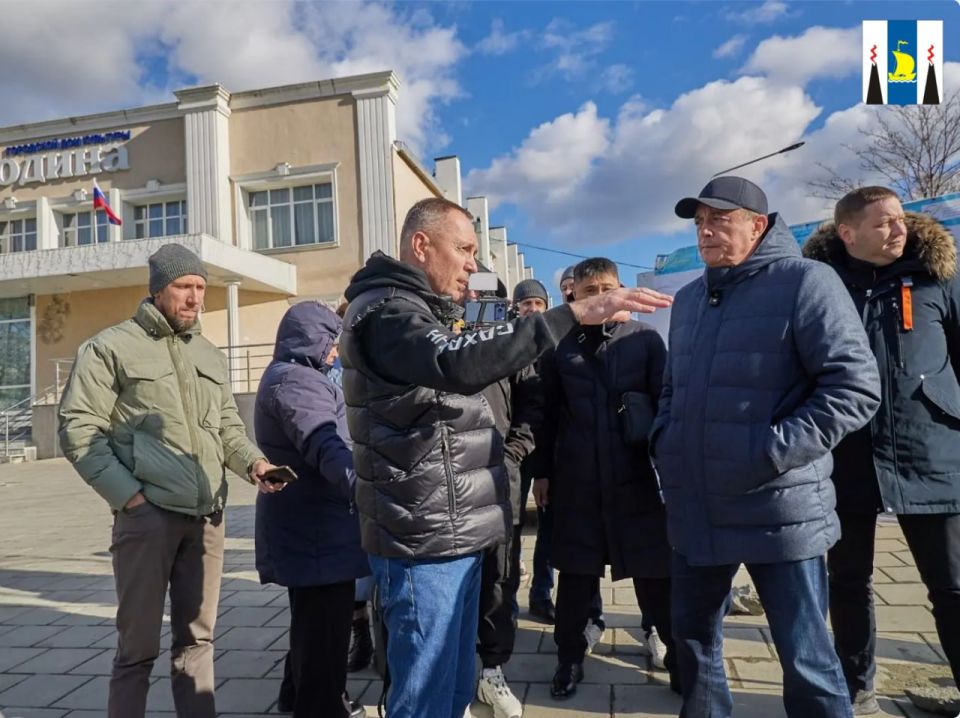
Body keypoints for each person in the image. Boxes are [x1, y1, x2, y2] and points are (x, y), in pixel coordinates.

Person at [339, 196, 671, 718]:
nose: (474, 263)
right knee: (424, 697)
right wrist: (572, 315)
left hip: (451, 531)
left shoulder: (418, 309)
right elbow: (457, 362)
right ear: (422, 245)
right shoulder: (387, 311)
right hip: (424, 539)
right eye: (465, 249)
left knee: (450, 691)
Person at [651, 176, 881, 718]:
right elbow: (672, 387)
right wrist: (668, 439)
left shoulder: (806, 281)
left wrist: (769, 451)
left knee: (805, 654)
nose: (706, 231)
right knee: (693, 642)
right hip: (697, 507)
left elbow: (854, 386)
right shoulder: (687, 301)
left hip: (778, 509)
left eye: (720, 220)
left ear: (758, 225)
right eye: (700, 221)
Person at [58, 243, 280, 718]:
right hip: (147, 519)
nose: (194, 297)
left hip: (206, 520)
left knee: (197, 642)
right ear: (158, 290)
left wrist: (255, 464)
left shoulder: (208, 353)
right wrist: (129, 497)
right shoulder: (110, 347)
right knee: (136, 650)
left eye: (200, 287)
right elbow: (77, 426)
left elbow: (226, 427)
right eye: (184, 287)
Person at [803, 187, 960, 715]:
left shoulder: (938, 278)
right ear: (847, 233)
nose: (899, 229)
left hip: (931, 453)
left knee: (952, 584)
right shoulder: (818, 288)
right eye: (884, 222)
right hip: (846, 457)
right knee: (847, 580)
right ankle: (855, 684)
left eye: (901, 219)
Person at [538, 257, 677, 699]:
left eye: (609, 286)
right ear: (573, 295)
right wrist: (542, 473)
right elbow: (546, 417)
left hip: (635, 477)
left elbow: (667, 408)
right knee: (576, 578)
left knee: (655, 574)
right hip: (577, 480)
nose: (602, 295)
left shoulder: (646, 341)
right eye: (591, 289)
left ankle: (675, 651)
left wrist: (671, 471)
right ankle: (569, 658)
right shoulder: (559, 346)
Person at [254, 301, 368, 718]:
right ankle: (320, 706)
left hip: (309, 526)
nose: (335, 351)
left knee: (309, 624)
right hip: (318, 529)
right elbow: (326, 445)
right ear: (310, 338)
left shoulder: (291, 374)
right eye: (330, 341)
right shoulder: (298, 383)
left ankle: (295, 694)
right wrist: (365, 490)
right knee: (325, 631)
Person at [474, 276, 542, 718]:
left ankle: (492, 669)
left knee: (499, 581)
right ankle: (459, 673)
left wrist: (513, 454)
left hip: (500, 481)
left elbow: (532, 407)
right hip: (444, 489)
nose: (477, 303)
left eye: (486, 297)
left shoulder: (513, 341)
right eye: (471, 294)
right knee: (453, 587)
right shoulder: (439, 336)